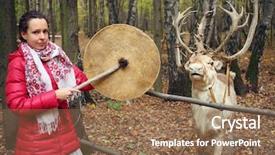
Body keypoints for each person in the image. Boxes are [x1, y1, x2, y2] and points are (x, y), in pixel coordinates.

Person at [5, 10, 93, 155]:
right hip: (36, 145)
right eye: (36, 32)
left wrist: (109, 67)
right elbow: (17, 104)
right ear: (24, 34)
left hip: (67, 139)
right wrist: (55, 96)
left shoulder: (57, 57)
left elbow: (86, 82)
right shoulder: (18, 63)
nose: (42, 37)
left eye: (45, 31)